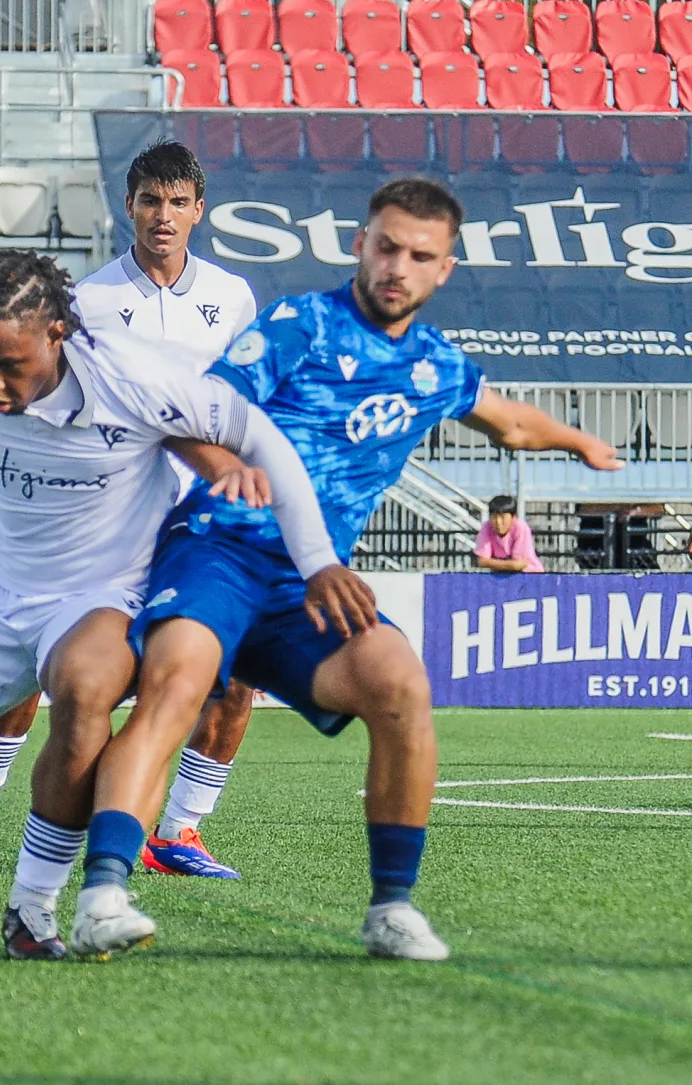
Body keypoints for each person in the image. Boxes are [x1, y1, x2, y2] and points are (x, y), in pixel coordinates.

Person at [67, 177, 622, 963]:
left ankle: (391, 908)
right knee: (177, 683)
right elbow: (193, 410)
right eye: (387, 247)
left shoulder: (435, 365)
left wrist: (581, 443)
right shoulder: (300, 325)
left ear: (444, 270)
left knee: (401, 684)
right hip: (220, 551)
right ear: (361, 245)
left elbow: (513, 424)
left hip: (310, 585)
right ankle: (102, 895)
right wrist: (229, 468)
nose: (399, 266)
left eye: (420, 256)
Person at [0, 248, 374, 957]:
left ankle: (32, 909)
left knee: (88, 685)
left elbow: (260, 437)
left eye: (9, 364)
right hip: (0, 591)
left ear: (57, 335)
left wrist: (318, 562)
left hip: (105, 593)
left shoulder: (134, 375)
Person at [0, 140, 258, 880]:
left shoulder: (233, 296)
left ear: (199, 211)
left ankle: (181, 830)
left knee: (237, 671)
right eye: (150, 200)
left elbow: (242, 397)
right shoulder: (86, 301)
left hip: (200, 514)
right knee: (36, 660)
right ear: (128, 207)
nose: (163, 215)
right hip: (106, 510)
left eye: (177, 202)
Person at [473, 494, 545, 573]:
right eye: (494, 517)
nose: (498, 522)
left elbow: (519, 565)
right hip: (499, 575)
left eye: (502, 517)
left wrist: (492, 563)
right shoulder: (487, 527)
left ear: (513, 517)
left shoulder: (520, 527)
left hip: (530, 574)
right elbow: (482, 561)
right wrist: (511, 565)